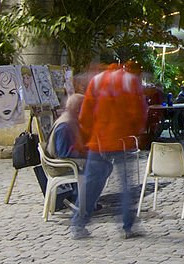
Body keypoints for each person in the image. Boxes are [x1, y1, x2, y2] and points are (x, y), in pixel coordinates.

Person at [71, 62, 147, 240]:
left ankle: (78, 224)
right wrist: (135, 132)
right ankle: (127, 227)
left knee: (91, 186)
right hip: (122, 141)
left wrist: (90, 134)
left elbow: (85, 115)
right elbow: (139, 112)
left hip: (99, 141)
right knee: (126, 187)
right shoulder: (130, 81)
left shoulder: (97, 81)